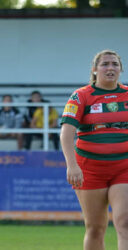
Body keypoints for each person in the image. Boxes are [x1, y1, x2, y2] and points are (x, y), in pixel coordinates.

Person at [60, 49, 128, 250]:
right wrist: (71, 166)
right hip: (90, 168)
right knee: (95, 228)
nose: (110, 68)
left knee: (124, 222)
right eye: (105, 64)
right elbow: (67, 132)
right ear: (95, 70)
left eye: (115, 64)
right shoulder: (81, 96)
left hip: (124, 167)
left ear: (120, 69)